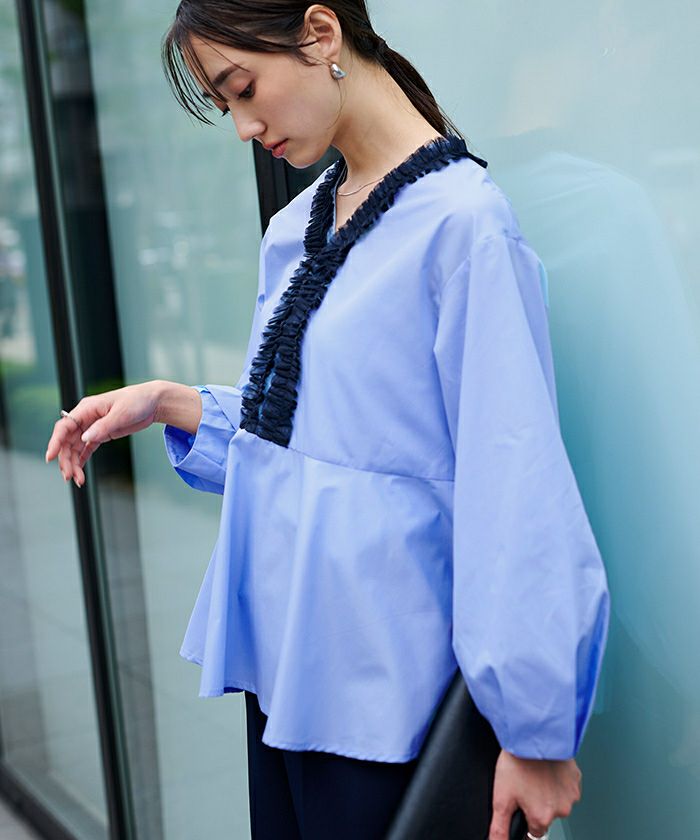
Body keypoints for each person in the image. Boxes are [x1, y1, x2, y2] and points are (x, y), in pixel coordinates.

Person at [45, 3, 610, 838]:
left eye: (242, 89)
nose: (243, 127)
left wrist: (535, 727)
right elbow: (315, 449)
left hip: (385, 693)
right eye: (225, 105)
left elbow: (514, 482)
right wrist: (169, 402)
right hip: (284, 676)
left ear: (320, 32)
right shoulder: (295, 228)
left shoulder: (463, 225)